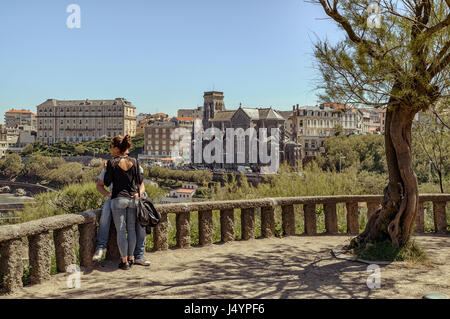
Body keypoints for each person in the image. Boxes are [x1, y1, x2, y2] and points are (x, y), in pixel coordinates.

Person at [93, 161, 150, 267]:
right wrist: (109, 194)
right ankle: (101, 247)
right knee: (105, 213)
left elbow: (142, 185)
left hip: (134, 198)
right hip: (117, 198)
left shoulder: (136, 165)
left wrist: (139, 194)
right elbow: (99, 186)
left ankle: (139, 255)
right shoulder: (110, 166)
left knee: (141, 224)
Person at [103, 135, 147, 270]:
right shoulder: (134, 161)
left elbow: (106, 183)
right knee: (132, 229)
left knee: (121, 231)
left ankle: (124, 262)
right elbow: (140, 181)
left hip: (118, 199)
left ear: (117, 148)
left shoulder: (112, 162)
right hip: (132, 199)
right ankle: (132, 258)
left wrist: (106, 169)